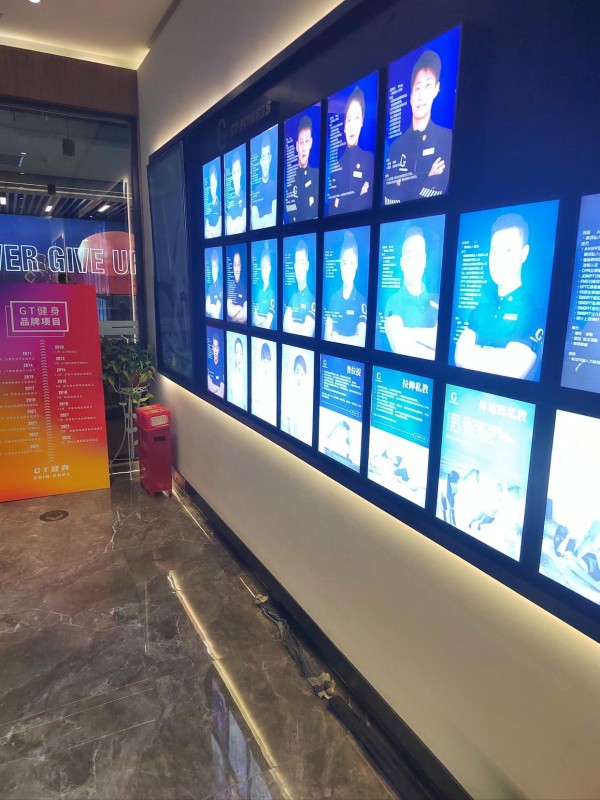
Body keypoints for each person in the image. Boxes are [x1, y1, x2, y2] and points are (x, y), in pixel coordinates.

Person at [454, 213, 543, 379]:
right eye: (494, 251)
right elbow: (460, 357)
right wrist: (499, 355)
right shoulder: (480, 310)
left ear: (524, 253)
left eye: (508, 250)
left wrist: (475, 352)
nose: (499, 259)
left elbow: (512, 370)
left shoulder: (532, 309)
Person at [384, 50, 453, 203]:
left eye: (428, 85)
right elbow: (389, 199)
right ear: (411, 96)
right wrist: (426, 181)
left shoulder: (446, 138)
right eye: (418, 88)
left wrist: (403, 182)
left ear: (436, 89)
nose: (421, 95)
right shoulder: (396, 146)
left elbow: (437, 191)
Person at [383, 226, 438, 358]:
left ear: (424, 260)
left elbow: (442, 343)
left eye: (418, 255)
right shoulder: (393, 302)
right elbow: (400, 347)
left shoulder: (437, 300)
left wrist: (407, 332)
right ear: (402, 263)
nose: (414, 262)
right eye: (409, 255)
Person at [329, 85, 374, 215]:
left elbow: (369, 200)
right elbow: (331, 209)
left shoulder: (368, 158)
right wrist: (358, 198)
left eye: (356, 118)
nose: (352, 126)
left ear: (362, 122)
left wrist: (341, 204)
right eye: (349, 120)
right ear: (344, 126)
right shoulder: (337, 166)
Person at [324, 230, 367, 346]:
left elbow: (361, 341)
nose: (348, 269)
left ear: (356, 265)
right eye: (344, 263)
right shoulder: (333, 298)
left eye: (351, 263)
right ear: (340, 266)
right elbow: (326, 337)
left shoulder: (361, 301)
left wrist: (337, 337)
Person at [289, 114, 319, 222]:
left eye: (306, 141)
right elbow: (289, 211)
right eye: (301, 142)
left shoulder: (316, 175)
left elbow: (316, 209)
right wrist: (308, 202)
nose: (304, 148)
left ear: (311, 143)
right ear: (297, 146)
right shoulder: (290, 179)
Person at [283, 239, 316, 336]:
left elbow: (307, 333)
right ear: (294, 266)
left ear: (307, 265)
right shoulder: (293, 298)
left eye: (302, 262)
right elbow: (284, 326)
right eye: (297, 262)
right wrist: (300, 327)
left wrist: (292, 326)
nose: (300, 268)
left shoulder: (313, 300)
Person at [283, 354, 311, 443]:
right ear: (294, 373)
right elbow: (289, 418)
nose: (299, 377)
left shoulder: (308, 398)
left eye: (302, 373)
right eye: (297, 372)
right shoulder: (290, 393)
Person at [251, 132, 277, 229]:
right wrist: (268, 218)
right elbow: (255, 225)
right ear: (260, 161)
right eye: (263, 157)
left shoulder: (275, 186)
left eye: (267, 156)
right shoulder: (255, 191)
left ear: (270, 159)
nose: (265, 163)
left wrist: (262, 219)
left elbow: (274, 220)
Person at [252, 244, 275, 329]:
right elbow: (254, 318)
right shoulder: (259, 292)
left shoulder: (272, 293)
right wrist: (262, 320)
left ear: (270, 268)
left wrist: (260, 321)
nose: (264, 271)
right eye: (262, 268)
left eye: (266, 267)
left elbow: (267, 325)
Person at [253, 342, 276, 424]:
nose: (266, 365)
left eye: (268, 362)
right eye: (264, 361)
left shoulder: (273, 382)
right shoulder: (256, 380)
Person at [226, 150, 246, 235]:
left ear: (241, 172)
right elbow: (228, 230)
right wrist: (239, 219)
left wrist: (233, 222)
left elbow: (243, 226)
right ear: (231, 175)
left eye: (238, 171)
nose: (236, 176)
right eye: (234, 172)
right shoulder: (228, 201)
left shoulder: (246, 196)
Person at [227, 250, 247, 323]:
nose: (237, 269)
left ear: (241, 266)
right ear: (232, 267)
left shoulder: (245, 287)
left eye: (238, 265)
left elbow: (244, 315)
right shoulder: (230, 286)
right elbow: (229, 310)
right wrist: (239, 308)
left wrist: (234, 317)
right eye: (235, 265)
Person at [228, 336, 247, 410]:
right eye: (237, 353)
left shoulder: (245, 377)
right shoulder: (232, 377)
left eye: (241, 353)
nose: (239, 356)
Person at [204, 163, 222, 237]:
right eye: (211, 185)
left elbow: (218, 232)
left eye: (213, 184)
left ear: (216, 183)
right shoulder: (206, 208)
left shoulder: (221, 206)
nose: (212, 189)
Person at [205, 248, 222, 319]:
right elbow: (207, 308)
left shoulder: (221, 286)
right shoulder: (210, 287)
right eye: (212, 267)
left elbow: (217, 314)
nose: (214, 270)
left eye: (215, 267)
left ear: (218, 268)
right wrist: (213, 308)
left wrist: (211, 308)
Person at [207, 333, 224, 398]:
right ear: (212, 348)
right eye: (214, 346)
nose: (215, 350)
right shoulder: (209, 362)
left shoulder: (222, 366)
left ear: (219, 349)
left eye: (217, 347)